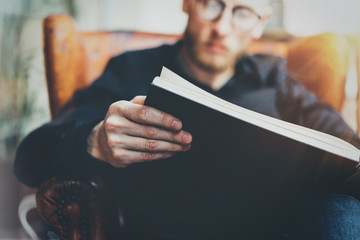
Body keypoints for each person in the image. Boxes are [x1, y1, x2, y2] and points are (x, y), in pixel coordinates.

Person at [14, 0, 360, 239]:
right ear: (187, 3)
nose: (222, 27)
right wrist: (95, 140)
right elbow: (30, 156)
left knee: (339, 209)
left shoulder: (276, 79)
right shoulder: (130, 68)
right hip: (166, 229)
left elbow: (348, 149)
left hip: (275, 229)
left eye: (242, 12)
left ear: (260, 23)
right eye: (212, 4)